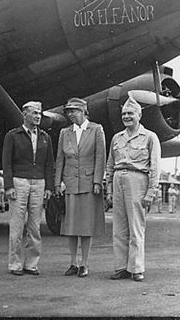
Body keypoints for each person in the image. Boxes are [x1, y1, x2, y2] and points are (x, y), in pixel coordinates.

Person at [106, 95, 161, 282]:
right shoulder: (116, 138)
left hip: (138, 180)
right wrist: (109, 191)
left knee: (136, 227)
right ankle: (121, 267)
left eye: (130, 113)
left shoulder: (150, 137)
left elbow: (155, 167)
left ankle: (136, 268)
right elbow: (110, 165)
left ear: (139, 115)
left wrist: (150, 192)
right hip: (117, 179)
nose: (126, 116)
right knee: (119, 228)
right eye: (124, 114)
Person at [55, 97, 106, 278]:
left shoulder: (96, 130)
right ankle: (72, 263)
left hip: (88, 183)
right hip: (69, 183)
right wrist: (57, 182)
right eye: (68, 111)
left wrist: (98, 181)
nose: (70, 114)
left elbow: (100, 157)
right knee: (70, 226)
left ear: (84, 111)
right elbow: (60, 159)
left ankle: (84, 263)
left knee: (85, 226)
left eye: (74, 111)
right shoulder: (64, 133)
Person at [2, 101, 54, 276]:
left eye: (39, 113)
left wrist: (49, 186)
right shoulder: (13, 135)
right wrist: (9, 186)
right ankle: (15, 264)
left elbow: (49, 164)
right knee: (16, 226)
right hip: (19, 182)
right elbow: (6, 162)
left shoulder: (46, 137)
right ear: (24, 114)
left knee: (34, 226)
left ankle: (31, 264)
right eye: (34, 113)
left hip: (39, 183)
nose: (38, 116)